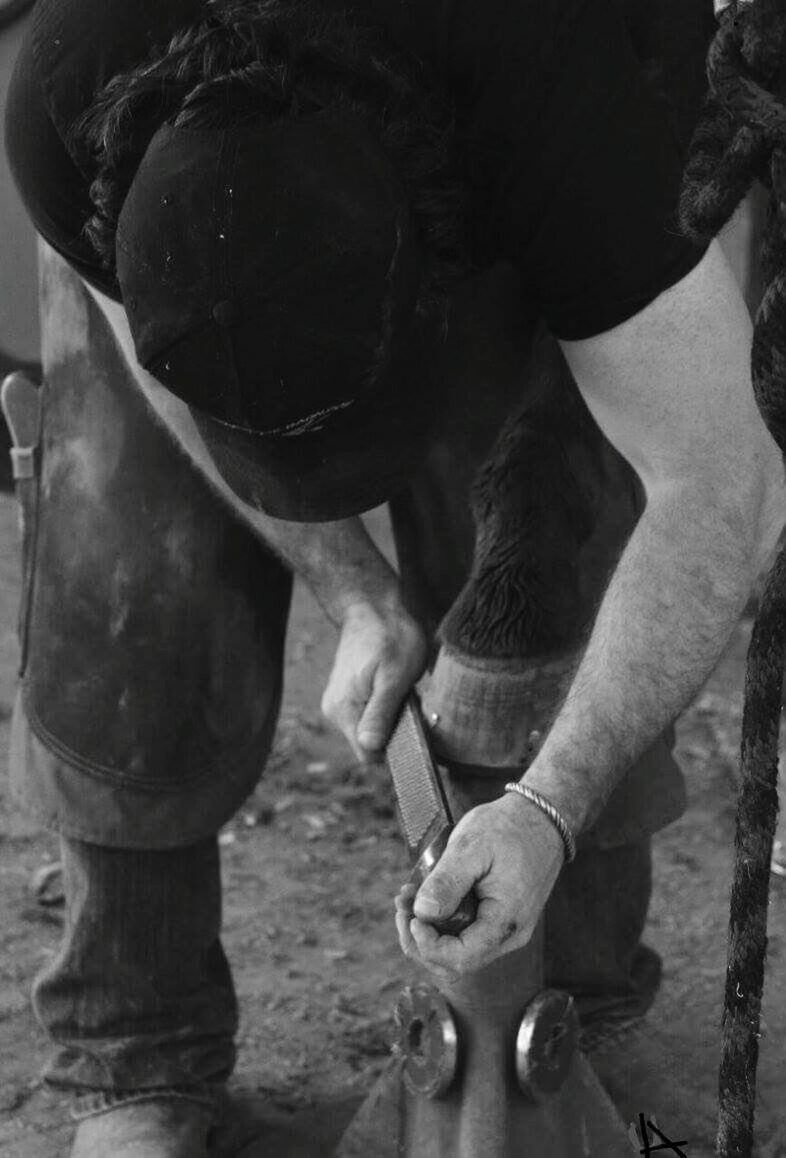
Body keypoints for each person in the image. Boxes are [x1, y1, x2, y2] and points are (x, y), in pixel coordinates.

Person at [3, 0, 783, 1154]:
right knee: (126, 573)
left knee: (538, 590)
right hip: (181, 159)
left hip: (503, 119)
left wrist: (550, 803)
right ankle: (134, 1042)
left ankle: (569, 1015)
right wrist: (349, 585)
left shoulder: (565, 104)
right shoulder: (66, 90)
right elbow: (156, 348)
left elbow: (721, 483)